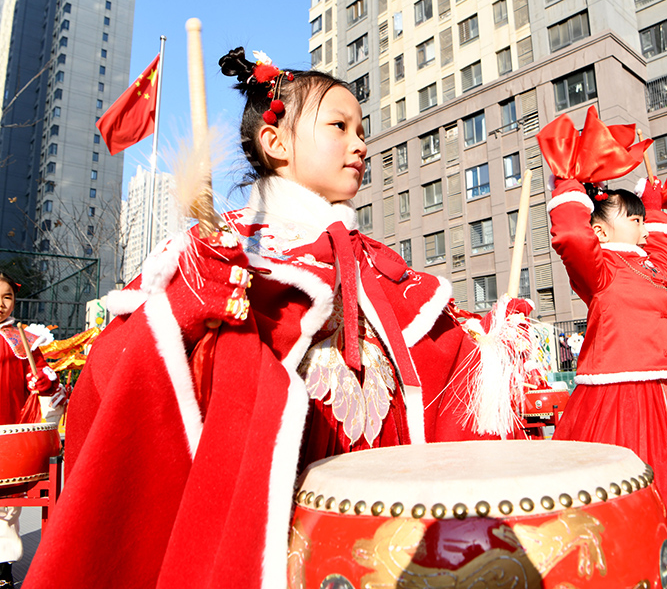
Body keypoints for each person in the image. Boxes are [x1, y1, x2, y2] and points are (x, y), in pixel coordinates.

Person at [26, 48, 531, 589]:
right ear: (276, 143)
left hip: (385, 539)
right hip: (268, 530)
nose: (361, 143)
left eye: (362, 129)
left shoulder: (379, 265)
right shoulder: (218, 255)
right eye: (340, 125)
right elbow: (112, 373)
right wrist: (187, 320)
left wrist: (493, 346)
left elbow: (442, 368)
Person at [545, 176, 667, 588]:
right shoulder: (598, 267)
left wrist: (653, 201)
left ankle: (660, 566)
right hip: (615, 391)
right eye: (632, 217)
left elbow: (662, 242)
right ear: (599, 230)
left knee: (665, 481)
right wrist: (567, 183)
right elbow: (570, 234)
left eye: (641, 218)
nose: (641, 223)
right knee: (619, 481)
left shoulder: (652, 267)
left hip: (663, 389)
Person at [0, 272, 59, 588]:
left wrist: (44, 381)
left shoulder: (21, 341)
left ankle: (2, 571)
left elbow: (48, 376)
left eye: (6, 297)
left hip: (9, 436)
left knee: (6, 507)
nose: (0, 304)